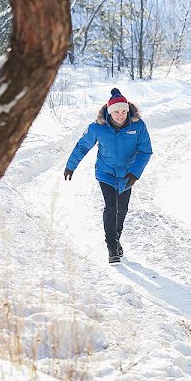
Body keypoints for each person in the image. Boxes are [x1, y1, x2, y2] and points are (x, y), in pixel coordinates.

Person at [64, 88, 152, 264]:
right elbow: (82, 146)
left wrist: (134, 173)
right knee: (111, 207)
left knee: (123, 209)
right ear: (110, 112)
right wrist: (71, 166)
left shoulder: (138, 126)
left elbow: (145, 151)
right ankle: (112, 247)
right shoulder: (98, 128)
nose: (120, 115)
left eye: (123, 111)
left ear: (128, 111)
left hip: (127, 175)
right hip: (106, 173)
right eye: (116, 112)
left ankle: (116, 238)